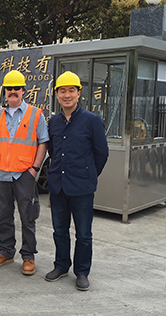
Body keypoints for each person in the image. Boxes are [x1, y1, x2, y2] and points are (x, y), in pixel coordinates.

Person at [45, 71, 109, 291]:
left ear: (79, 93)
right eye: (62, 91)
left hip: (82, 187)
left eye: (71, 90)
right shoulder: (53, 122)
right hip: (58, 186)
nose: (67, 95)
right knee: (59, 230)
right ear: (57, 95)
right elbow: (53, 151)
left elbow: (101, 153)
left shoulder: (92, 121)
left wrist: (89, 173)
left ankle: (82, 271)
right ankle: (61, 265)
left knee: (83, 233)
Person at [0, 70, 49, 276]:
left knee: (27, 216)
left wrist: (34, 170)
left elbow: (43, 143)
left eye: (17, 89)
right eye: (9, 89)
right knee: (3, 215)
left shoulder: (36, 114)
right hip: (2, 175)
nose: (13, 92)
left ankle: (28, 256)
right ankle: (6, 252)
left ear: (23, 91)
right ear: (4, 92)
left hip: (24, 174)